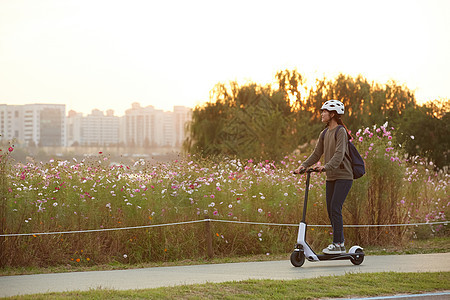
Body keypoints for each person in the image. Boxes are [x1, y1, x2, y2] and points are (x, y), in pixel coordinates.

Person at [294, 99, 353, 254]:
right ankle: (339, 243)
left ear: (333, 114)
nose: (321, 114)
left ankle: (338, 243)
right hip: (331, 176)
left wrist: (325, 167)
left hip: (344, 175)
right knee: (330, 209)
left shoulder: (341, 131)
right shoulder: (324, 133)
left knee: (335, 207)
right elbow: (316, 153)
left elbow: (339, 155)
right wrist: (304, 166)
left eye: (324, 111)